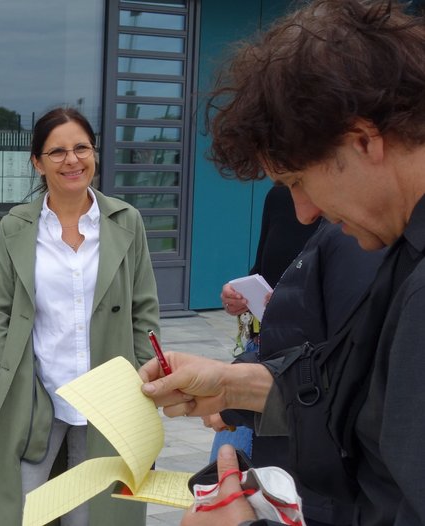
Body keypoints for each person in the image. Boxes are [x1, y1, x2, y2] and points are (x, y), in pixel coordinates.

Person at [138, 1, 425, 524]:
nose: (305, 212)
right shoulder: (404, 248)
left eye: (298, 182)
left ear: (364, 140)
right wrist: (233, 384)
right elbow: (366, 414)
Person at [0, 107, 161, 526]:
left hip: (108, 396)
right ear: (37, 162)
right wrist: (0, 381)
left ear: (95, 154)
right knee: (21, 511)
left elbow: (144, 310)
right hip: (37, 393)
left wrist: (141, 377)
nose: (72, 160)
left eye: (81, 148)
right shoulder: (16, 227)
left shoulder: (125, 221)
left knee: (92, 515)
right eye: (57, 152)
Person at [207, 218, 384, 526]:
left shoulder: (356, 234)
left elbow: (338, 365)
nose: (300, 210)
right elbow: (263, 269)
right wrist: (241, 296)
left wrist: (235, 393)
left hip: (294, 403)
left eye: (297, 182)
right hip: (269, 368)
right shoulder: (281, 201)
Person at [212, 184, 319, 462]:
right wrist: (238, 296)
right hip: (261, 349)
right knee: (223, 474)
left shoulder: (354, 209)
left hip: (309, 367)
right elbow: (263, 267)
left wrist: (289, 304)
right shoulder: (280, 195)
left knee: (276, 485)